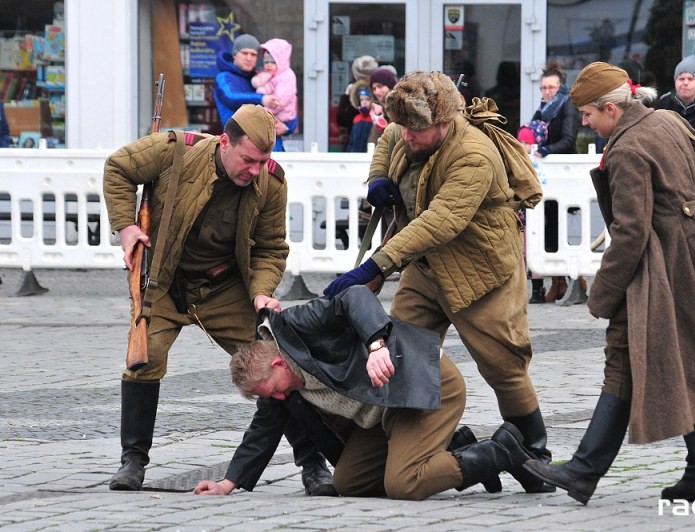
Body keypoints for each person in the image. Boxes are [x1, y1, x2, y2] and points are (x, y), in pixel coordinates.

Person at [523, 62, 695, 505]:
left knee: (627, 357)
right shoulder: (667, 119)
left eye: (589, 114)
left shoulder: (627, 148)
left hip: (657, 269)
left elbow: (630, 231)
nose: (585, 123)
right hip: (694, 255)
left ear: (612, 108)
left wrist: (602, 294)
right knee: (658, 358)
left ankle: (588, 471)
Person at [323, 71, 554, 494]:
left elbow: (441, 220)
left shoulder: (473, 153)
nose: (408, 137)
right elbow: (389, 138)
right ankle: (449, 444)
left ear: (445, 123)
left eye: (418, 130)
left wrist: (375, 266)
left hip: (480, 271)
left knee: (503, 365)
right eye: (406, 127)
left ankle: (534, 452)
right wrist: (378, 178)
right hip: (426, 269)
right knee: (401, 356)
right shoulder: (408, 126)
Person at [102, 104, 335, 496]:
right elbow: (118, 168)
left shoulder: (271, 184)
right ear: (225, 142)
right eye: (248, 159)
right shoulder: (173, 151)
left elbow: (270, 247)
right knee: (145, 358)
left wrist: (262, 290)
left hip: (225, 289)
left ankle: (313, 465)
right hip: (164, 281)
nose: (255, 170)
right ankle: (133, 460)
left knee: (277, 361)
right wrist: (126, 226)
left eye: (263, 161)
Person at [194, 286, 546, 500]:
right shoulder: (281, 389)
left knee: (404, 484)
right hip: (385, 416)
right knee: (348, 483)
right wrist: (229, 482)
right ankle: (459, 450)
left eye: (271, 390)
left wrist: (377, 344)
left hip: (421, 384)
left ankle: (502, 451)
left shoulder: (299, 326)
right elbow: (262, 432)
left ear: (277, 365)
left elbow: (354, 296)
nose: (277, 399)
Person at [521, 61, 580, 304]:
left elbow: (568, 139)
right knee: (544, 229)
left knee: (555, 229)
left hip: (562, 174)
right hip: (545, 177)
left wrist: (544, 150)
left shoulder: (567, 106)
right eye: (544, 88)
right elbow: (529, 133)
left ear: (560, 87)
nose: (547, 92)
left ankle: (563, 280)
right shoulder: (543, 108)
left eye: (551, 88)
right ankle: (555, 281)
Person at [213, 34, 289, 141]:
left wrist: (287, 127)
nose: (249, 58)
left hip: (270, 144)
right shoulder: (223, 77)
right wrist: (261, 99)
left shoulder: (258, 78)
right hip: (241, 145)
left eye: (253, 55)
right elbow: (230, 97)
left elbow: (287, 107)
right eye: (244, 53)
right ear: (234, 54)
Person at [251, 38, 298, 152]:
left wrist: (263, 111)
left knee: (273, 147)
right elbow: (267, 88)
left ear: (281, 61)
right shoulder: (272, 75)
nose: (268, 65)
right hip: (274, 116)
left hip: (284, 116)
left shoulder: (286, 76)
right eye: (266, 62)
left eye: (273, 62)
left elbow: (280, 101)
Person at [335, 55, 378, 150]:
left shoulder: (376, 92)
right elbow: (342, 119)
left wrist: (347, 96)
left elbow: (342, 119)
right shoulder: (357, 92)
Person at [366, 66, 398, 145]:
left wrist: (381, 113)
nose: (376, 92)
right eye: (374, 88)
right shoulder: (373, 108)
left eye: (380, 86)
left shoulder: (399, 107)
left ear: (390, 86)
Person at [346, 88, 374, 153]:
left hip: (368, 155)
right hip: (354, 155)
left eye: (367, 99)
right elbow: (352, 140)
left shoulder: (374, 118)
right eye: (361, 100)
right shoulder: (356, 118)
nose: (364, 102)